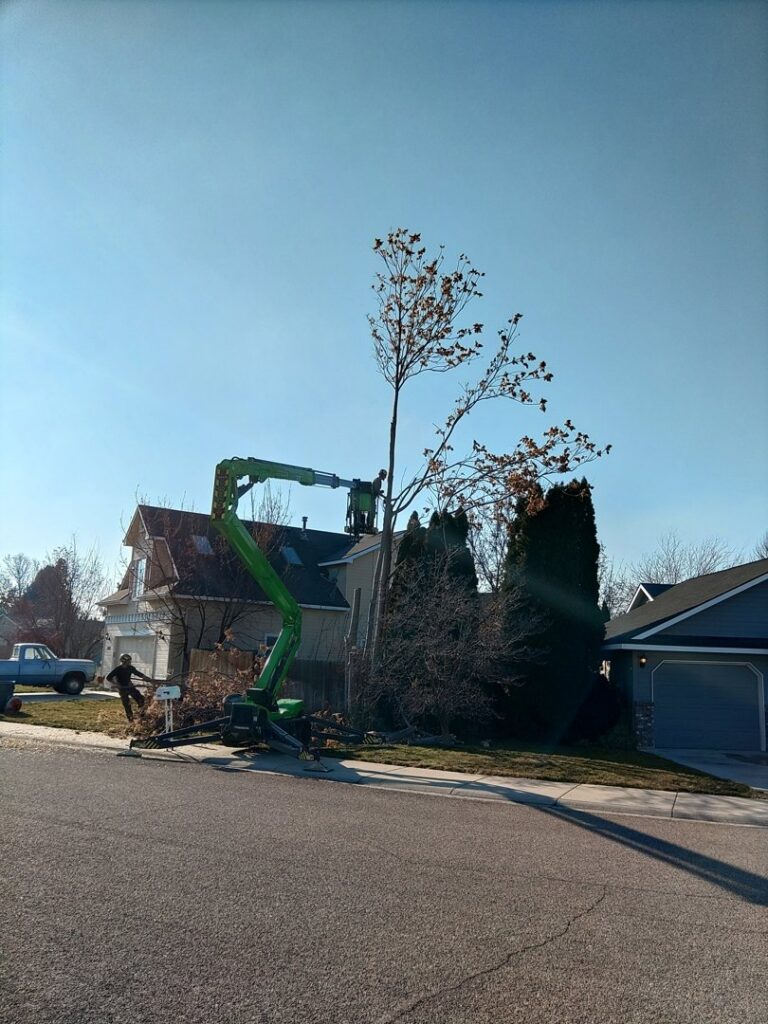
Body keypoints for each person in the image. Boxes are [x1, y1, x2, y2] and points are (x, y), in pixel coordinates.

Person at [107, 653, 151, 722]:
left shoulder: (130, 668)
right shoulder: (118, 669)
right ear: (124, 661)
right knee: (127, 704)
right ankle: (131, 720)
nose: (130, 662)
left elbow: (138, 673)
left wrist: (147, 678)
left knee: (141, 699)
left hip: (130, 687)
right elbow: (108, 677)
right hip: (122, 689)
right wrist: (116, 684)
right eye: (129, 661)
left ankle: (141, 716)